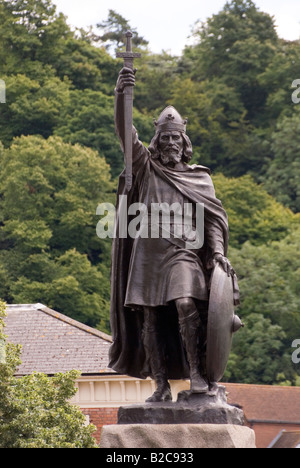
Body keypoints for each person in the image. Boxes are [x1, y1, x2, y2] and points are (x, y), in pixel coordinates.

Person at [109, 67, 236, 402]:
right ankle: (160, 385)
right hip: (149, 254)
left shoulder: (200, 178)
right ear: (157, 141)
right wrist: (122, 94)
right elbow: (126, 134)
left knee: (184, 303)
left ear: (184, 141)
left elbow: (212, 221)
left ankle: (197, 373)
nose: (170, 143)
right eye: (164, 138)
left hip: (185, 252)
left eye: (175, 138)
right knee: (150, 318)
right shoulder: (146, 166)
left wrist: (219, 251)